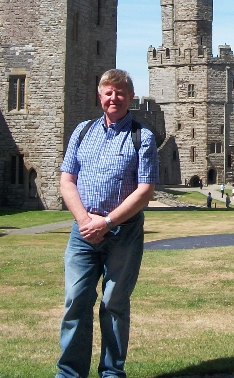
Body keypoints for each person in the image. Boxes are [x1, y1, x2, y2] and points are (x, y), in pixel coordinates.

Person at [57, 69, 159, 378]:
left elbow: (145, 191)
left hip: (122, 231)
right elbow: (66, 181)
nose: (113, 98)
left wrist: (108, 221)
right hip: (83, 231)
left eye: (120, 93)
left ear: (129, 98)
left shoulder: (143, 137)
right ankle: (70, 374)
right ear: (100, 96)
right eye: (108, 92)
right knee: (76, 300)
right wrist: (85, 220)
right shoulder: (82, 132)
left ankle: (112, 373)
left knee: (114, 303)